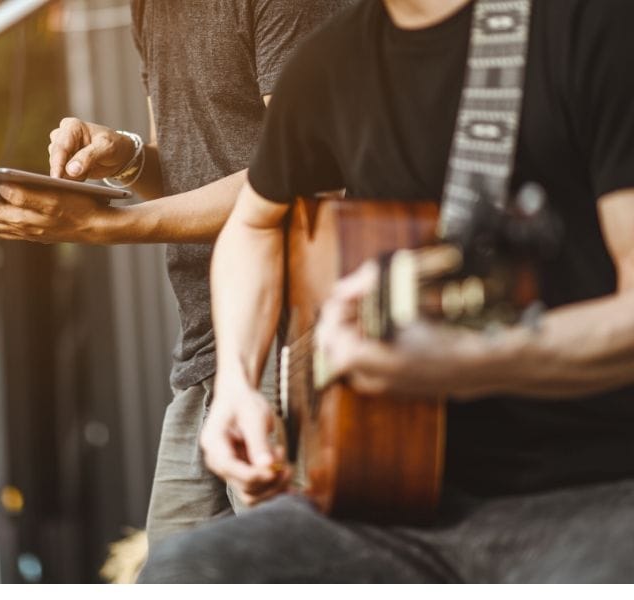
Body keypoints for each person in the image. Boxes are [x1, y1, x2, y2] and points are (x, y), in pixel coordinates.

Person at [138, 0, 634, 583]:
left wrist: (467, 360)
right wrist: (238, 387)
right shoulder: (330, 61)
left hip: (598, 490)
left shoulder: (594, 26)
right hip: (394, 499)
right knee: (190, 571)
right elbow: (253, 224)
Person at [0, 0, 350, 547]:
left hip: (293, 345)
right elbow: (190, 172)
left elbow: (310, 175)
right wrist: (123, 158)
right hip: (204, 350)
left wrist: (106, 226)